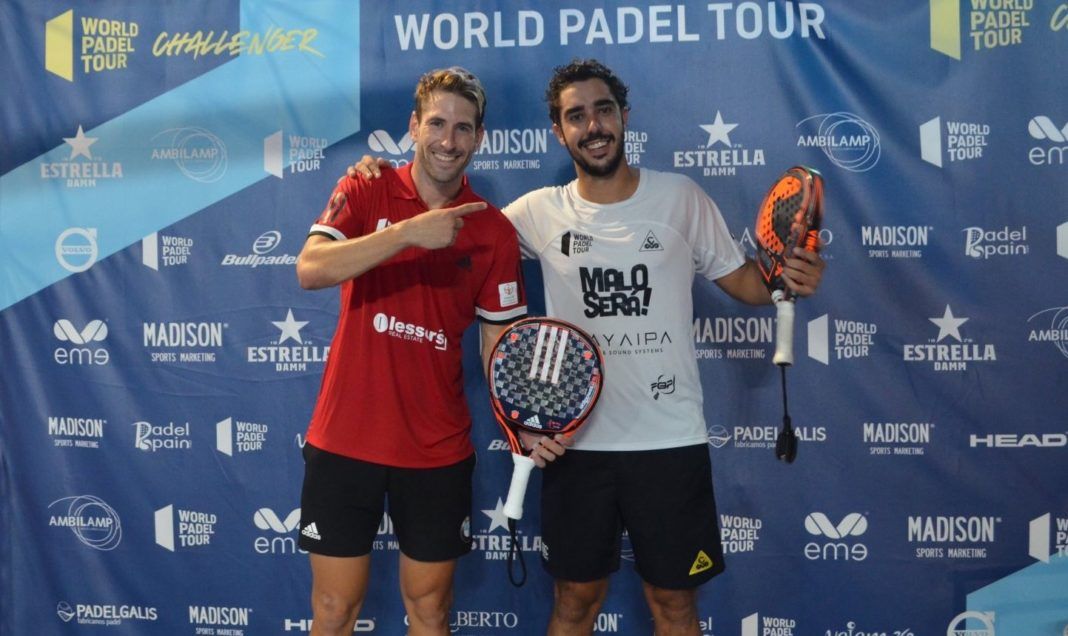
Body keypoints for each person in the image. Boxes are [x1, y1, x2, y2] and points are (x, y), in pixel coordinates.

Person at [350, 59, 825, 636]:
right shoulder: (535, 213)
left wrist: (785, 276)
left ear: (624, 117)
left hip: (670, 439)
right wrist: (382, 179)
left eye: (603, 110)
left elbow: (746, 283)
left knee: (675, 606)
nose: (593, 126)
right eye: (576, 116)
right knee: (575, 602)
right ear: (559, 131)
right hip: (575, 444)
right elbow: (455, 229)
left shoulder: (681, 198)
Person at [294, 67, 563, 636]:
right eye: (436, 123)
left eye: (463, 128)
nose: (448, 140)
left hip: (436, 451)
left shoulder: (490, 230)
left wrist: (525, 421)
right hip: (346, 441)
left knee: (432, 614)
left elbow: (499, 343)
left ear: (479, 138)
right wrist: (406, 233)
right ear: (413, 126)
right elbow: (310, 269)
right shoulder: (365, 187)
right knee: (334, 613)